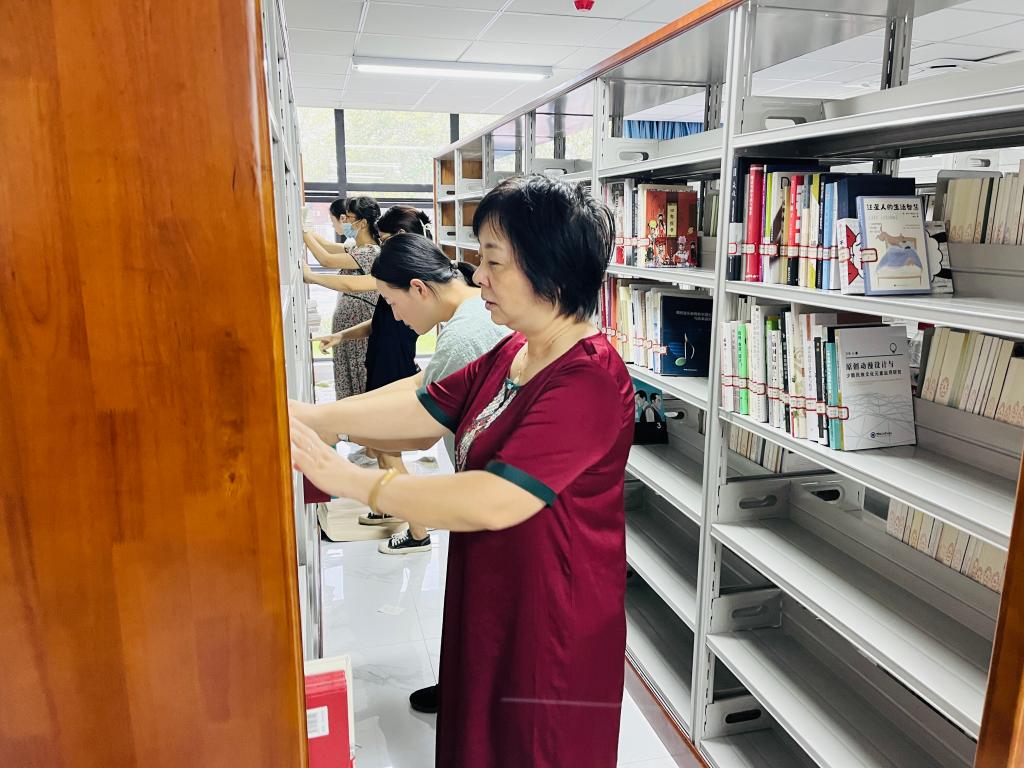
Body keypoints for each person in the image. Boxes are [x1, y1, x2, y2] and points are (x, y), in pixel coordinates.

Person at [290, 175, 633, 768]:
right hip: (495, 592)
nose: (478, 278)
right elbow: (423, 404)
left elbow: (493, 499)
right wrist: (310, 416)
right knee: (479, 734)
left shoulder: (590, 379)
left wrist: (355, 482)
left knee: (531, 747)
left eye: (494, 263)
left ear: (550, 272)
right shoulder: (514, 350)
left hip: (551, 616)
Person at [302, 196, 382, 400]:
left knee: (357, 375)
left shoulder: (370, 252)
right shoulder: (357, 248)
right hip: (349, 325)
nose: (344, 221)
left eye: (349, 217)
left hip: (358, 323)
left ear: (362, 223)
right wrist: (305, 229)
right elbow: (327, 246)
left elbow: (326, 260)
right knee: (347, 373)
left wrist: (303, 233)